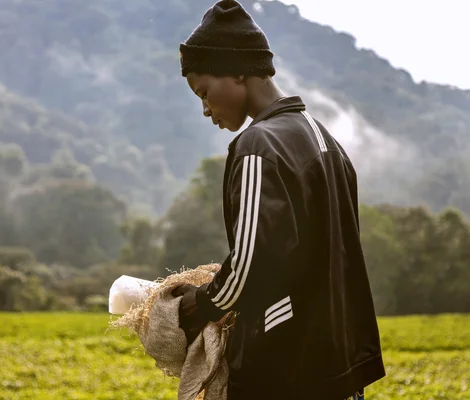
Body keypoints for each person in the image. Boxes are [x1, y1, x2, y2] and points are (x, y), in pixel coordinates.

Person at [171, 1, 386, 399]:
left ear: (237, 69)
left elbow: (248, 268)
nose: (205, 109)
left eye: (204, 92)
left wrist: (194, 305)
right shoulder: (324, 139)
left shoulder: (258, 145)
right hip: (342, 367)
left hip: (288, 370)